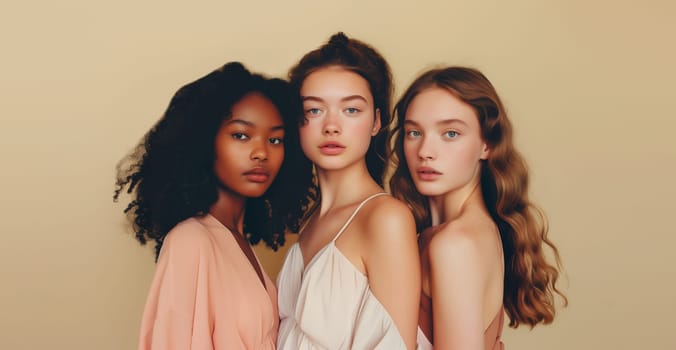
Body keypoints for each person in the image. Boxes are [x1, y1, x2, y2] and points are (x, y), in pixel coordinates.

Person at [113, 61, 312, 350]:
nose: (261, 152)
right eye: (241, 135)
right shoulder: (191, 240)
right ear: (206, 142)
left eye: (275, 139)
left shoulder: (236, 242)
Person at [389, 66, 568, 350]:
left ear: (487, 144)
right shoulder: (461, 234)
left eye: (450, 133)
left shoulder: (454, 245)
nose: (425, 151)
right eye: (414, 132)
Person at [276, 32, 421, 350]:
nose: (331, 125)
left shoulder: (385, 218)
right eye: (314, 110)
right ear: (297, 122)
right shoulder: (311, 220)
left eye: (351, 110)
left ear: (376, 121)